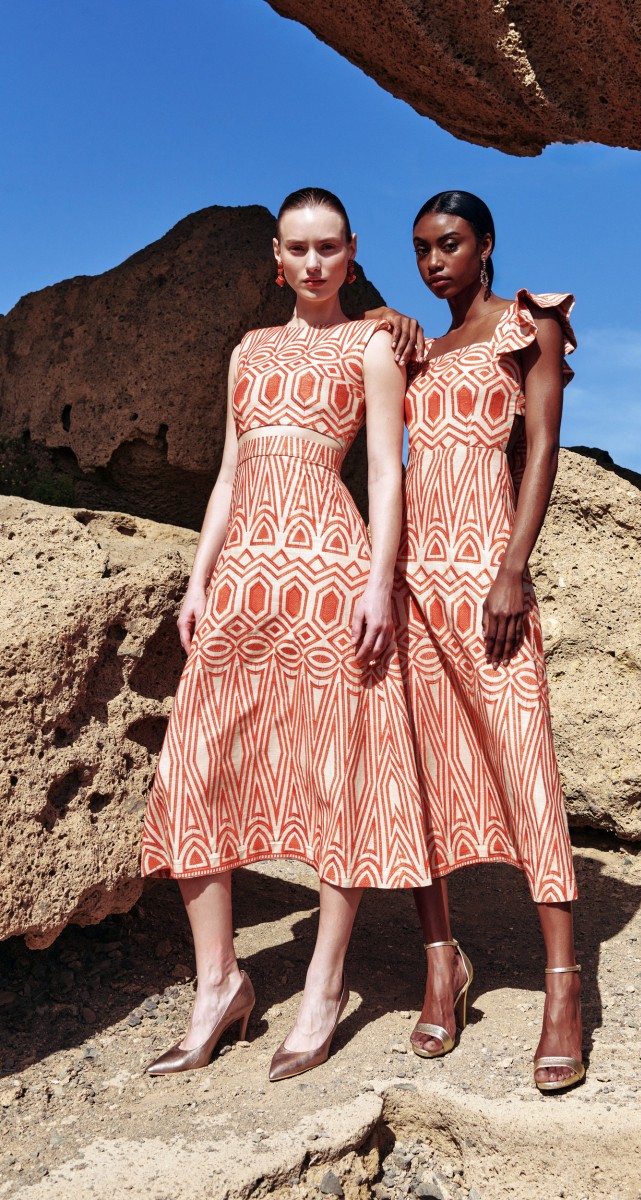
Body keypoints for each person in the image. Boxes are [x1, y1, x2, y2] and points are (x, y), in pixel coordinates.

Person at [140, 187, 431, 1077]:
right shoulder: (248, 351)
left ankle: (323, 984)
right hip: (240, 587)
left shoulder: (372, 343)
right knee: (196, 768)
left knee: (335, 770)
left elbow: (387, 474)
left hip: (332, 578)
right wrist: (198, 581)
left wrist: (380, 585)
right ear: (276, 255)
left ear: (350, 253)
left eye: (328, 247)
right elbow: (227, 476)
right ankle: (219, 983)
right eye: (297, 248)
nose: (312, 262)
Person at [396, 190, 584, 1093]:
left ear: (487, 245)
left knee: (524, 766)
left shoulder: (529, 324)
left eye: (452, 244)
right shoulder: (420, 353)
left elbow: (541, 446)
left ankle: (562, 988)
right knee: (421, 774)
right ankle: (443, 964)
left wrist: (514, 565)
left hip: (487, 580)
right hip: (411, 588)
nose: (436, 261)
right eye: (424, 248)